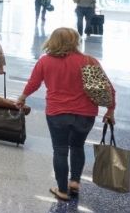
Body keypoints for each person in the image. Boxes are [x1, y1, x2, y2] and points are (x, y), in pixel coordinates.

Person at [16, 27, 115, 201]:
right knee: (77, 146)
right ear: (76, 41)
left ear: (52, 41)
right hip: (86, 113)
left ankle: (62, 190)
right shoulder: (89, 61)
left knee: (60, 150)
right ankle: (75, 182)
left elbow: (34, 83)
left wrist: (22, 98)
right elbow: (106, 88)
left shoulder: (45, 61)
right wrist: (110, 109)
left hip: (57, 113)